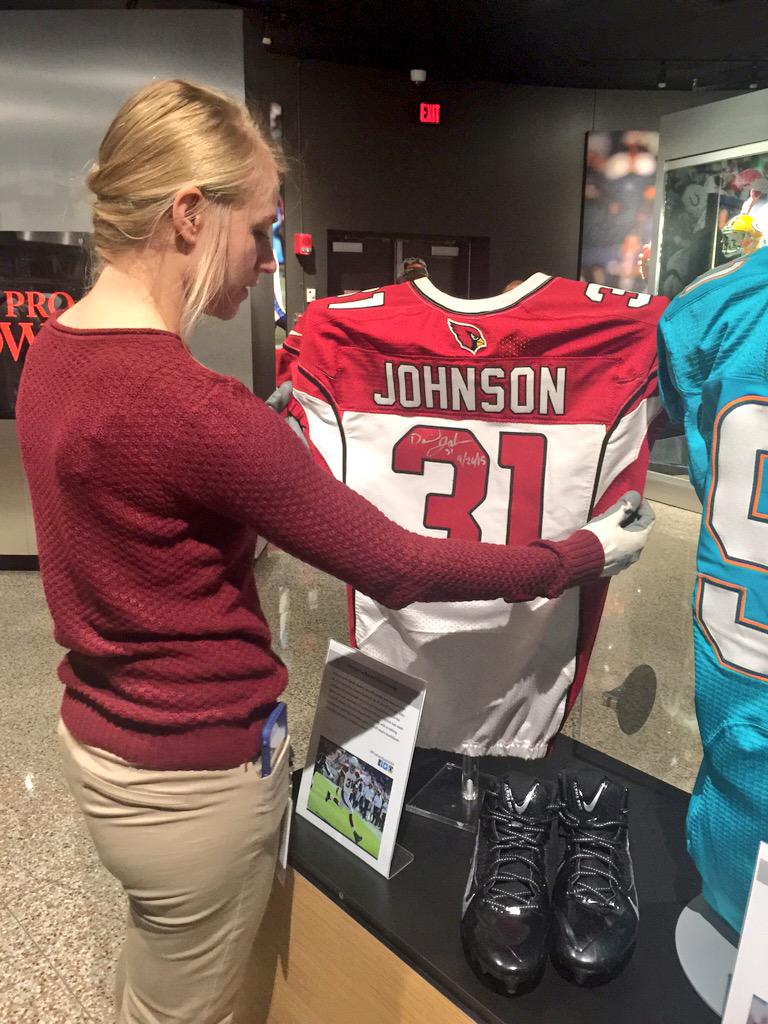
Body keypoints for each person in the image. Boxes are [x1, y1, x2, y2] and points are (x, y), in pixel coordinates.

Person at [15, 79, 654, 1024]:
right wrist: (574, 555)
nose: (265, 261)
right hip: (194, 781)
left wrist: (259, 450)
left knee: (157, 965)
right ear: (189, 215)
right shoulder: (199, 410)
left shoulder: (55, 349)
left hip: (101, 747)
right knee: (190, 1006)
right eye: (259, 230)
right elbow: (402, 566)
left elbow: (141, 493)